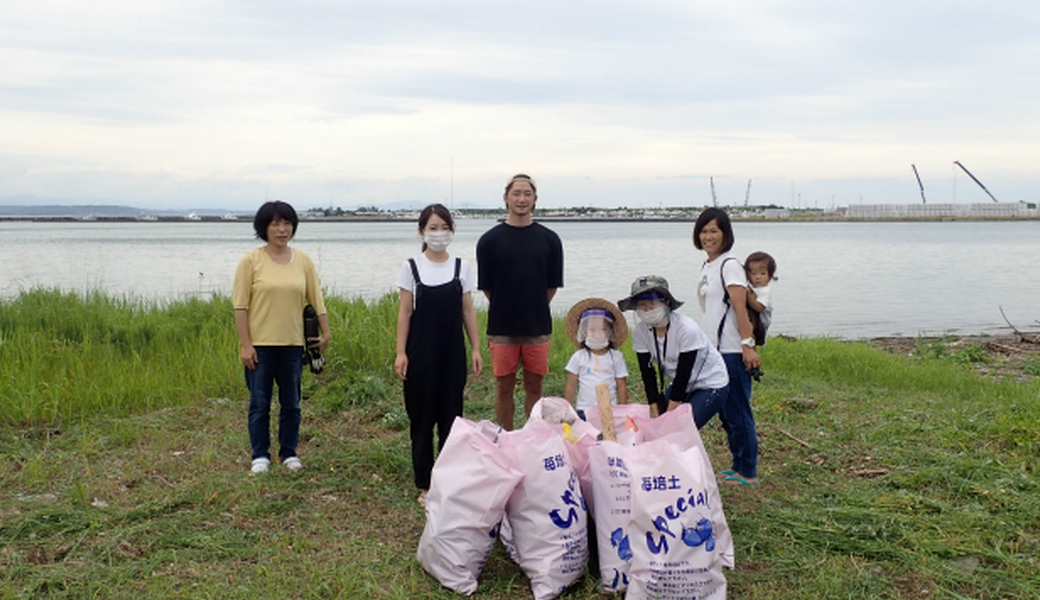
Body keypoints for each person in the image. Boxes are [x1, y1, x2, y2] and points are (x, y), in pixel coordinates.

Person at [394, 204, 483, 506]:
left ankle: (448, 482)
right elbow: (405, 312)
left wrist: (475, 347)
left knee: (451, 418)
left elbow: (468, 310)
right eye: (432, 228)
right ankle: (425, 484)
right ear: (422, 231)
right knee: (421, 418)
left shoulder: (461, 267)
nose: (439, 233)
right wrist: (400, 352)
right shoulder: (412, 267)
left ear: (452, 232)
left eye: (444, 227)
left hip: (452, 354)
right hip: (420, 355)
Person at [233, 200, 330, 475]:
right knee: (259, 403)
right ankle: (260, 456)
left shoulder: (303, 261)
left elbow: (317, 300)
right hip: (260, 347)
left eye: (287, 223)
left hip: (292, 345)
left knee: (292, 403)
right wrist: (245, 344)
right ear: (263, 227)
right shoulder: (250, 261)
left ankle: (289, 453)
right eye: (275, 223)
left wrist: (326, 332)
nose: (282, 229)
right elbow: (241, 306)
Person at [476, 174, 564, 430]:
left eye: (527, 194)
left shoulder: (550, 240)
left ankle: (533, 436)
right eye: (516, 193)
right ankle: (506, 437)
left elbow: (551, 286)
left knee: (535, 386)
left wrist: (532, 305)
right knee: (503, 386)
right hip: (502, 327)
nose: (522, 199)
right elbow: (488, 288)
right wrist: (509, 305)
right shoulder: (489, 241)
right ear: (506, 198)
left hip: (537, 326)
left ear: (535, 199)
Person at [694, 207, 761, 486]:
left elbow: (740, 307)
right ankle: (737, 464)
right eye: (704, 230)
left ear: (725, 234)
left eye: (714, 231)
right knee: (726, 413)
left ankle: (748, 471)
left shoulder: (730, 265)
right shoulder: (709, 265)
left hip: (732, 351)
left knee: (737, 411)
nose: (708, 236)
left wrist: (748, 345)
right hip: (714, 353)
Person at [616, 275, 729, 427]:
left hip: (709, 383)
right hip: (677, 383)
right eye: (642, 305)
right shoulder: (640, 331)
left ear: (666, 303)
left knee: (681, 428)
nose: (648, 309)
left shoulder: (686, 329)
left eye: (653, 303)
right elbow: (648, 375)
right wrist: (657, 417)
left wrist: (667, 420)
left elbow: (683, 374)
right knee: (662, 426)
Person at [563, 298, 629, 420]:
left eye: (602, 329)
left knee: (608, 437)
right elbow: (571, 385)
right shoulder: (579, 356)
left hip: (610, 409)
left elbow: (621, 385)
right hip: (584, 410)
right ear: (584, 331)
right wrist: (567, 409)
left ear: (610, 331)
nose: (597, 333)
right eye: (592, 329)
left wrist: (623, 410)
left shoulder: (616, 357)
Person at [744, 251, 777, 345]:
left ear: (770, 276)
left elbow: (759, 307)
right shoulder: (753, 287)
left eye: (763, 274)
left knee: (753, 341)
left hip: (761, 323)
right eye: (754, 274)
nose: (758, 277)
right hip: (754, 320)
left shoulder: (765, 291)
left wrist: (748, 296)